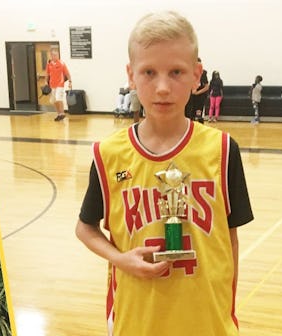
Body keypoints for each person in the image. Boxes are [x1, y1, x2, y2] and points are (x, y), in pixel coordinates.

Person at [75, 11, 253, 336]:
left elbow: (230, 240)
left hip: (207, 321)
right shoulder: (108, 154)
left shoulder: (224, 150)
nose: (162, 88)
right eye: (148, 72)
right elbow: (85, 228)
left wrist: (225, 308)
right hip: (137, 320)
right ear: (131, 75)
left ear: (197, 75)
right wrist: (121, 259)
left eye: (176, 72)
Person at [45, 49, 72, 121]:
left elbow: (67, 73)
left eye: (57, 55)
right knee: (53, 100)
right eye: (54, 55)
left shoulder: (62, 63)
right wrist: (45, 82)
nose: (56, 56)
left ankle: (62, 113)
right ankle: (59, 114)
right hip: (52, 85)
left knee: (58, 98)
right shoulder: (49, 64)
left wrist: (70, 81)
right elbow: (47, 73)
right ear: (51, 56)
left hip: (60, 84)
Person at [186, 57, 209, 123]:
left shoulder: (203, 73)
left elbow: (206, 87)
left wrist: (197, 92)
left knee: (198, 116)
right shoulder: (189, 73)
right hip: (191, 97)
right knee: (189, 115)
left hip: (200, 97)